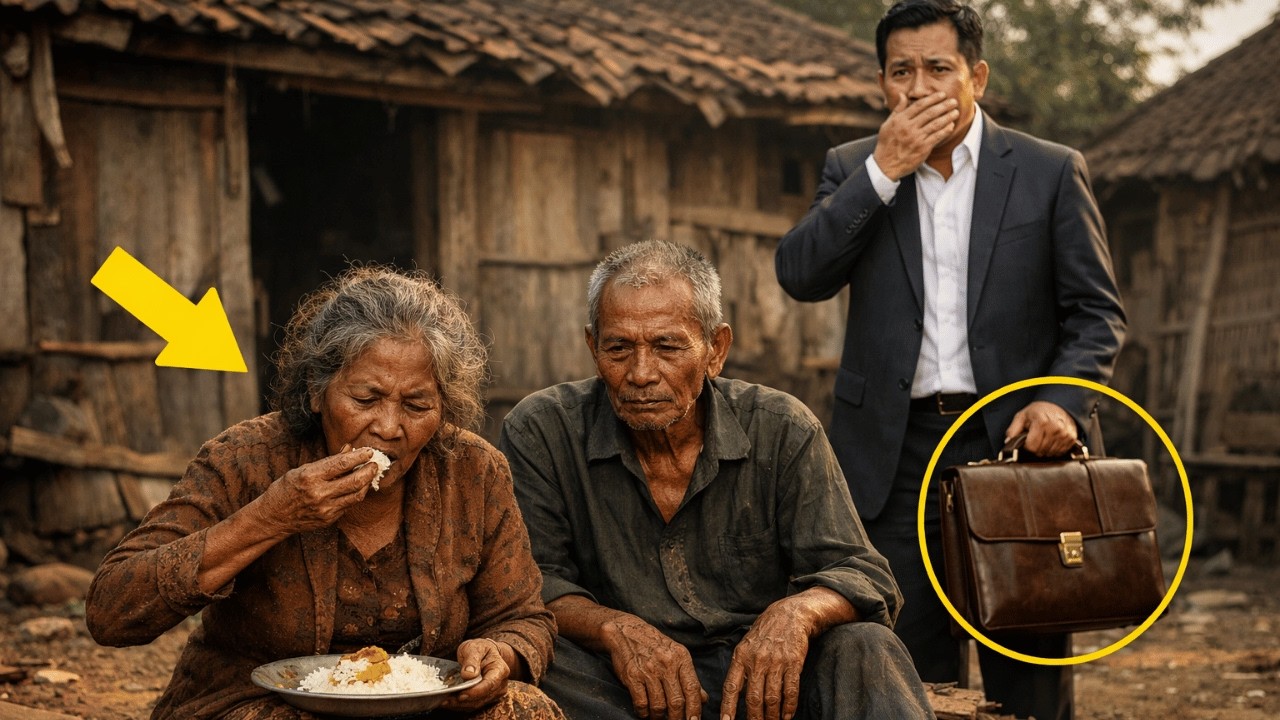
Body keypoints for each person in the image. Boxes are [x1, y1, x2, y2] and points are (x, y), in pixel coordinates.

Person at [774, 2, 1126, 719]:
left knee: (1028, 671)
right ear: (882, 85)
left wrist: (1061, 400)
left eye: (940, 68)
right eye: (902, 71)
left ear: (978, 76)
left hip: (1017, 451)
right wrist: (884, 171)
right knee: (903, 671)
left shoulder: (1048, 170)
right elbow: (800, 274)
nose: (920, 86)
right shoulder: (853, 166)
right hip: (892, 459)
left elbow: (1097, 314)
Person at [85, 266, 564, 720]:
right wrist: (270, 517)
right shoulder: (245, 458)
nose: (389, 427)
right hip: (257, 702)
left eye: (418, 405)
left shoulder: (473, 470)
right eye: (365, 400)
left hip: (426, 709)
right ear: (317, 392)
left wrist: (500, 655)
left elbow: (523, 617)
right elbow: (110, 610)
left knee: (527, 710)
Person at [499, 240, 936, 720]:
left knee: (865, 646)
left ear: (716, 349)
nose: (641, 374)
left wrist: (795, 614)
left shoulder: (781, 427)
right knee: (531, 664)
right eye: (618, 348)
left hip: (763, 682)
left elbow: (862, 573)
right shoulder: (542, 429)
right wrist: (613, 629)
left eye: (667, 347)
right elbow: (529, 582)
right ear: (592, 347)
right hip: (626, 686)